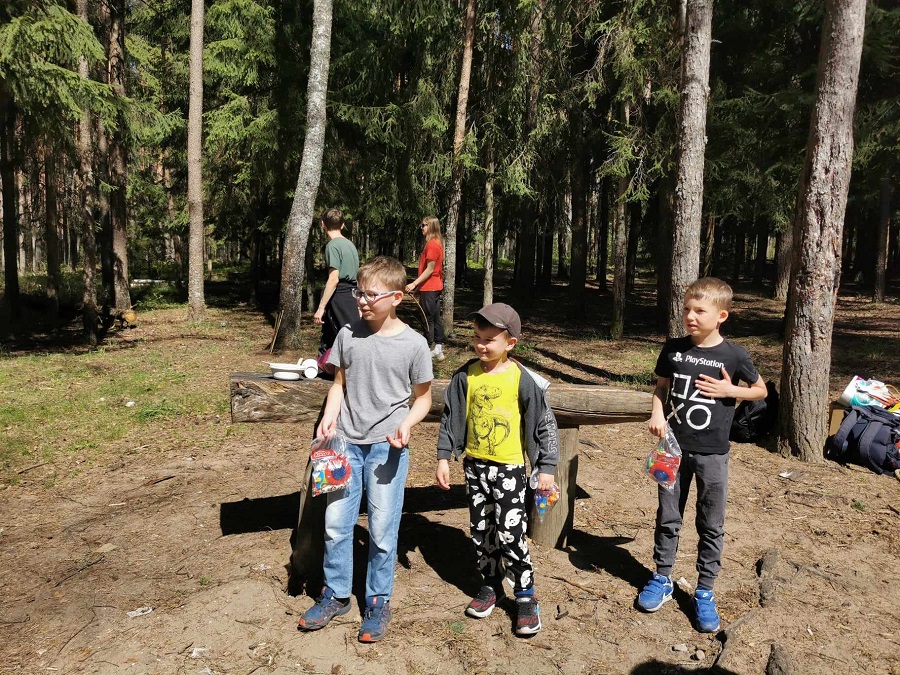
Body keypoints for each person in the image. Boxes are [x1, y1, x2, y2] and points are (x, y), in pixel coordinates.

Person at [298, 256, 434, 643]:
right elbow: (339, 384)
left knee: (382, 528)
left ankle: (377, 600)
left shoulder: (414, 344)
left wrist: (406, 424)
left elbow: (423, 399)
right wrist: (329, 417)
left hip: (385, 449)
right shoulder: (347, 334)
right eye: (359, 292)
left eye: (371, 295)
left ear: (396, 298)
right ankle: (336, 594)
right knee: (336, 524)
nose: (361, 300)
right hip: (344, 446)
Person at [638, 277, 767, 632]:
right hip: (672, 451)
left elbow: (760, 390)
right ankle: (662, 577)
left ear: (721, 315)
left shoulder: (734, 355)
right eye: (686, 309)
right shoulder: (674, 349)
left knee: (711, 524)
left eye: (699, 311)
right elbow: (661, 388)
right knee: (668, 516)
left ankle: (705, 591)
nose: (690, 316)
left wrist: (730, 390)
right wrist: (657, 414)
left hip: (713, 455)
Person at [435, 302, 559, 636]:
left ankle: (525, 595)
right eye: (477, 337)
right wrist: (444, 457)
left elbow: (543, 424)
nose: (481, 345)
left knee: (510, 533)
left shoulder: (522, 379)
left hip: (509, 470)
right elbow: (450, 418)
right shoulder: (465, 375)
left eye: (489, 340)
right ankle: (491, 583)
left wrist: (546, 465)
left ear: (510, 343)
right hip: (475, 468)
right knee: (482, 530)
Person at [314, 208, 359, 360]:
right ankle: (324, 366)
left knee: (343, 337)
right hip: (352, 293)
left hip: (340, 295)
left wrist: (321, 307)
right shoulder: (350, 244)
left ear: (323, 224)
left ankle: (344, 369)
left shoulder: (332, 246)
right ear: (342, 225)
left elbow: (334, 279)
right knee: (333, 334)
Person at [404, 215, 446, 362]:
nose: (421, 228)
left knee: (427, 318)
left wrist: (414, 284)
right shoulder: (433, 243)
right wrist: (418, 288)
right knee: (434, 316)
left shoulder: (432, 245)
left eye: (424, 225)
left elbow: (430, 270)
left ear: (431, 227)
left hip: (431, 287)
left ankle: (428, 347)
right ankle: (438, 348)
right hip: (431, 286)